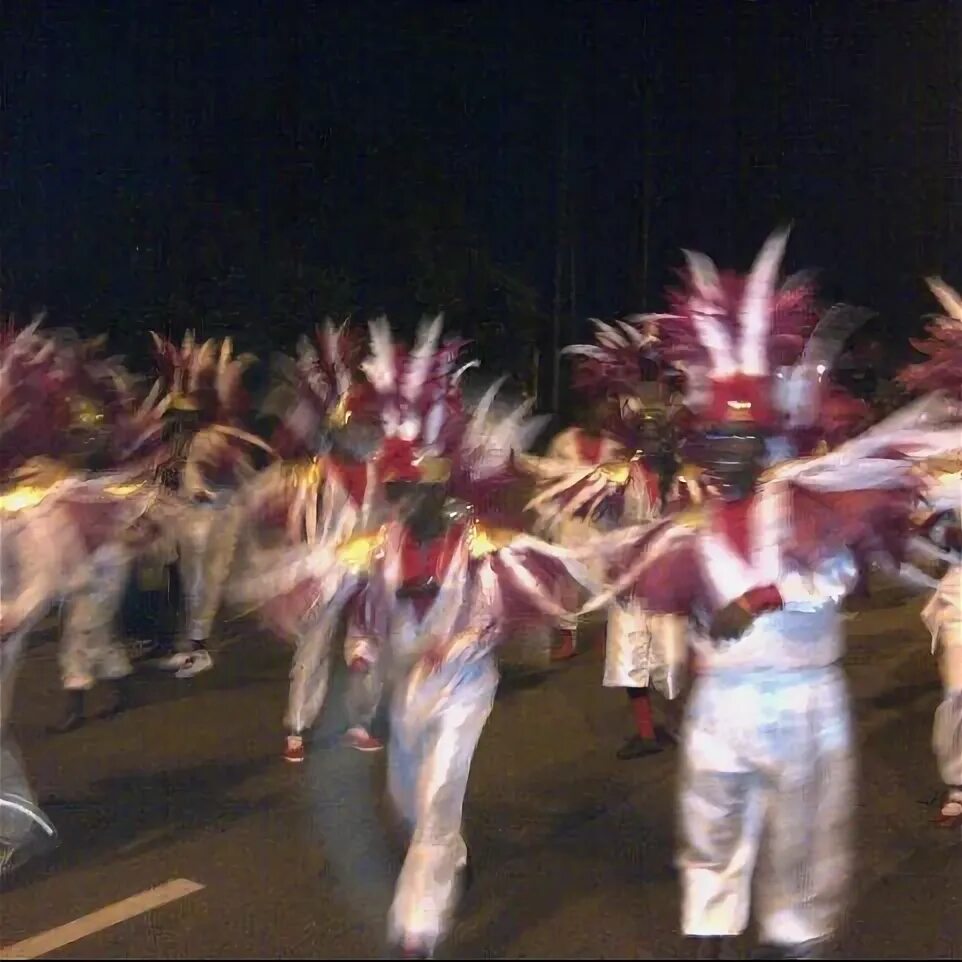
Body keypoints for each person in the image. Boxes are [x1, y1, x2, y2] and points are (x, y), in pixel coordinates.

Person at [584, 231, 961, 960]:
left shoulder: (810, 498)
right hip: (721, 707)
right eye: (714, 436)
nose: (726, 449)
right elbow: (647, 577)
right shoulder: (691, 517)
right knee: (711, 836)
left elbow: (838, 571)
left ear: (765, 439)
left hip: (801, 704)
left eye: (740, 436)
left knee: (798, 859)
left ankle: (789, 936)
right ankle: (711, 929)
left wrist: (757, 599)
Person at [233, 317, 592, 958]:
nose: (400, 504)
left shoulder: (481, 545)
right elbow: (362, 611)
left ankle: (415, 933)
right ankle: (451, 857)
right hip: (406, 693)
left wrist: (456, 644)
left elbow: (523, 592)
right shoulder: (376, 547)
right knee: (407, 807)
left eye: (412, 491)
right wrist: (364, 646)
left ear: (440, 487)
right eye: (392, 491)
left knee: (435, 807)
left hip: (463, 689)